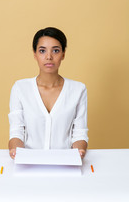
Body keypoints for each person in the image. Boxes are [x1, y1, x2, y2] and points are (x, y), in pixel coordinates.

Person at [8, 27, 88, 159]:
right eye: (42, 51)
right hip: (29, 161)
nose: (49, 57)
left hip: (65, 161)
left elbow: (80, 133)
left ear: (63, 54)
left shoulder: (78, 90)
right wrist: (15, 151)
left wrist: (78, 153)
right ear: (35, 54)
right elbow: (17, 132)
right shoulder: (20, 88)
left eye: (56, 50)